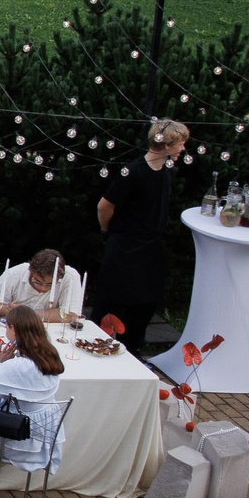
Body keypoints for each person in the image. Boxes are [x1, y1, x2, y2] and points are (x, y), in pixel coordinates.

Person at [94, 118, 190, 356]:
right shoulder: (133, 172)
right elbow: (104, 207)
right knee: (114, 305)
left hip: (150, 249)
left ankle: (133, 354)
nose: (183, 149)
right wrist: (108, 232)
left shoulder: (166, 170)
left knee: (144, 306)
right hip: (125, 249)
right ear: (166, 146)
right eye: (180, 144)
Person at [0, 305, 67, 467]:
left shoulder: (15, 367)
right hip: (44, 440)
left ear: (12, 329)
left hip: (15, 438)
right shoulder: (50, 355)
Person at [0, 249, 76, 325]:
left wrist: (28, 314)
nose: (43, 288)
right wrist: (6, 309)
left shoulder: (70, 277)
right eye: (37, 281)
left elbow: (72, 315)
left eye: (50, 284)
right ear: (30, 271)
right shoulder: (14, 274)